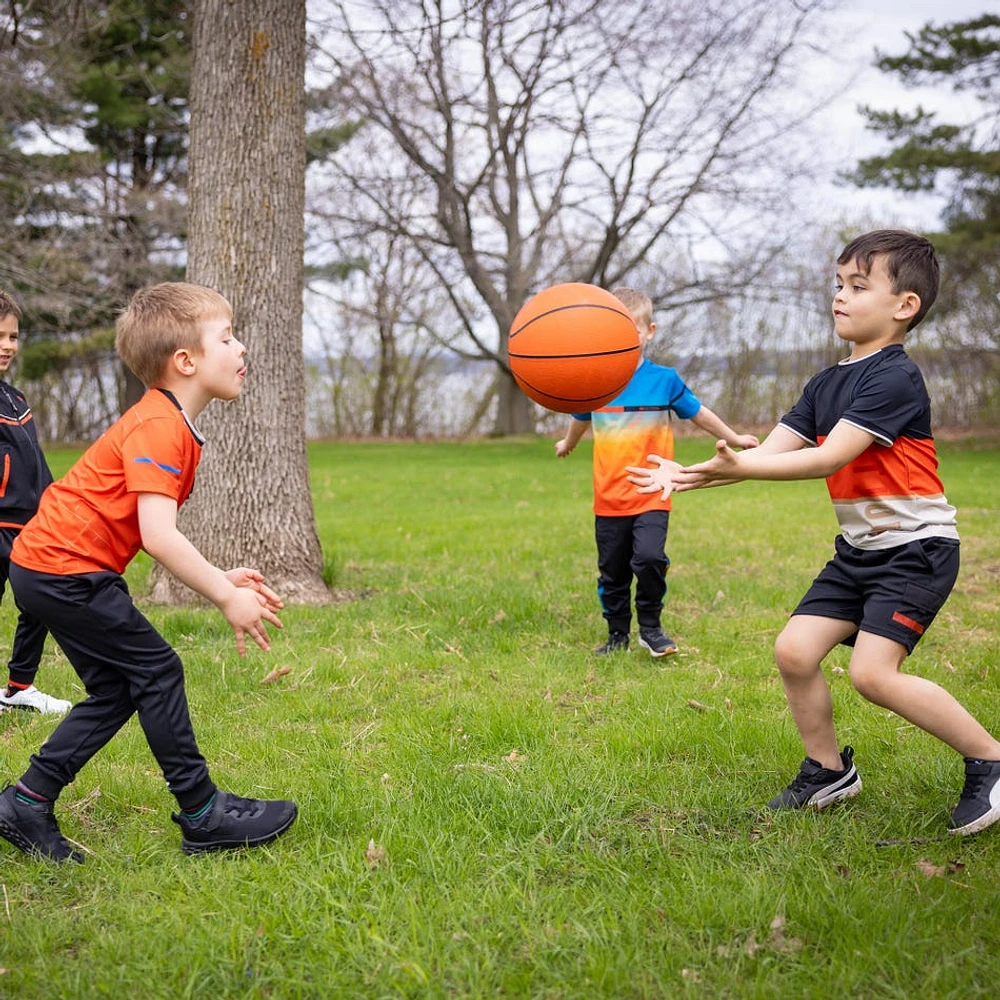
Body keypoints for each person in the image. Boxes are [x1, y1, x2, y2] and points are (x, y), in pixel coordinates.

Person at [627, 229, 1000, 836]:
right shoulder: (825, 383)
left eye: (858, 286)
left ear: (905, 305)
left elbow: (827, 459)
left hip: (917, 551)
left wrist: (737, 466)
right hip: (858, 553)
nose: (840, 297)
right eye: (838, 285)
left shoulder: (894, 378)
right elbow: (768, 455)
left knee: (874, 676)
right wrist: (692, 473)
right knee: (794, 652)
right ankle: (828, 771)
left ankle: (990, 758)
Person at [0, 282, 298, 863]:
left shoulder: (168, 422)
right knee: (159, 670)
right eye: (227, 337)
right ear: (185, 361)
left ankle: (26, 802)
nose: (241, 350)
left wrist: (220, 572)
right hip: (66, 569)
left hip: (51, 566)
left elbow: (145, 527)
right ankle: (202, 812)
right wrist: (222, 594)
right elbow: (159, 537)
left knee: (117, 688)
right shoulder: (160, 426)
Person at [556, 286, 758, 657]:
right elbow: (579, 418)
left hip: (653, 493)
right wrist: (568, 444)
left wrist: (734, 437)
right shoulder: (595, 381)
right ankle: (617, 635)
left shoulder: (664, 380)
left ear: (649, 331)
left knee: (649, 558)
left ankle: (651, 628)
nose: (622, 337)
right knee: (613, 572)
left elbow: (698, 413)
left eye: (630, 328)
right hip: (609, 498)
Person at [0, 289, 70, 716]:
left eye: (13, 336)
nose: (7, 345)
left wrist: (54, 503)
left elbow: (35, 463)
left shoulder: (15, 398)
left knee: (40, 600)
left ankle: (18, 689)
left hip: (30, 527)